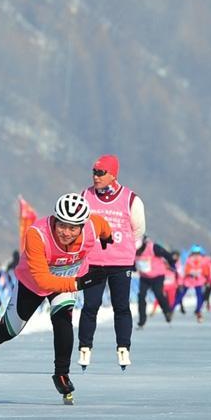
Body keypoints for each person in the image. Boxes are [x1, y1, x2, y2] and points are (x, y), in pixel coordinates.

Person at [0, 193, 111, 403]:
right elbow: (43, 281)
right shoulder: (37, 234)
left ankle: (61, 374)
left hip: (66, 278)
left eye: (73, 228)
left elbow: (104, 227)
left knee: (63, 320)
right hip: (33, 283)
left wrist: (107, 238)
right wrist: (79, 283)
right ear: (55, 220)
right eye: (62, 225)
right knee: (10, 330)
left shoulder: (92, 226)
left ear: (82, 226)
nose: (66, 232)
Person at [78, 154, 145, 370]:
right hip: (93, 262)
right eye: (94, 172)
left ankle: (123, 347)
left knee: (121, 306)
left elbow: (138, 230)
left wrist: (124, 248)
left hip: (120, 262)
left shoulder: (131, 199)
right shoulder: (85, 196)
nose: (95, 177)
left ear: (113, 175)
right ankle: (85, 347)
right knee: (90, 306)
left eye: (100, 173)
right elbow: (78, 225)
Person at [134, 235, 175, 328]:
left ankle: (167, 311)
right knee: (141, 296)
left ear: (143, 245)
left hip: (157, 276)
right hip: (144, 277)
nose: (138, 253)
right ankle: (142, 320)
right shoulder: (132, 250)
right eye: (136, 251)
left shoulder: (153, 248)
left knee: (158, 294)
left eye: (139, 250)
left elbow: (167, 255)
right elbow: (131, 261)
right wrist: (132, 267)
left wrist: (172, 264)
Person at [174, 245, 209, 322]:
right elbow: (186, 270)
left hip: (199, 281)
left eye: (198, 253)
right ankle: (171, 309)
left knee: (200, 296)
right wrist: (190, 273)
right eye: (195, 253)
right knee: (181, 295)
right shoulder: (189, 260)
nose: (196, 255)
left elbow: (206, 271)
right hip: (189, 280)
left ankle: (198, 310)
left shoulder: (204, 260)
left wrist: (206, 279)